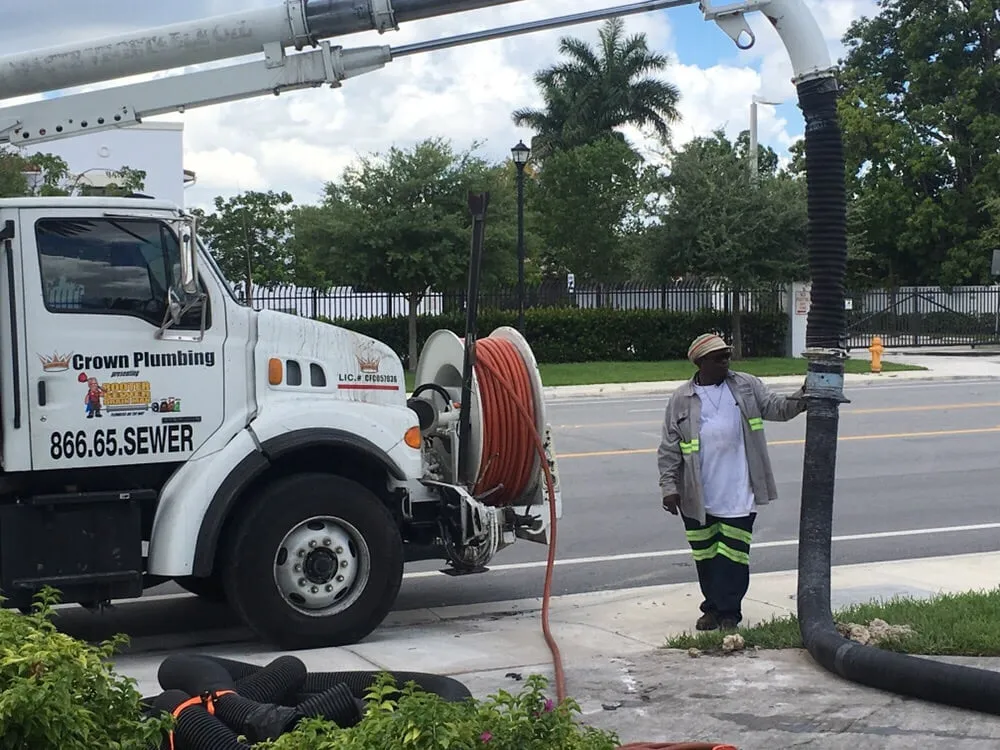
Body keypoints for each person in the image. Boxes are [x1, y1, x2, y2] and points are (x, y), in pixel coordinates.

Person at [657, 333, 806, 632]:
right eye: (719, 358)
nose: (726, 361)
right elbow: (669, 447)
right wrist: (669, 488)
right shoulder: (681, 399)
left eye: (727, 355)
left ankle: (729, 613)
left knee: (734, 557)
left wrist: (804, 395)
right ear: (701, 363)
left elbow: (777, 408)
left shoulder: (746, 386)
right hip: (697, 495)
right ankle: (711, 608)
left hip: (739, 491)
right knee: (706, 556)